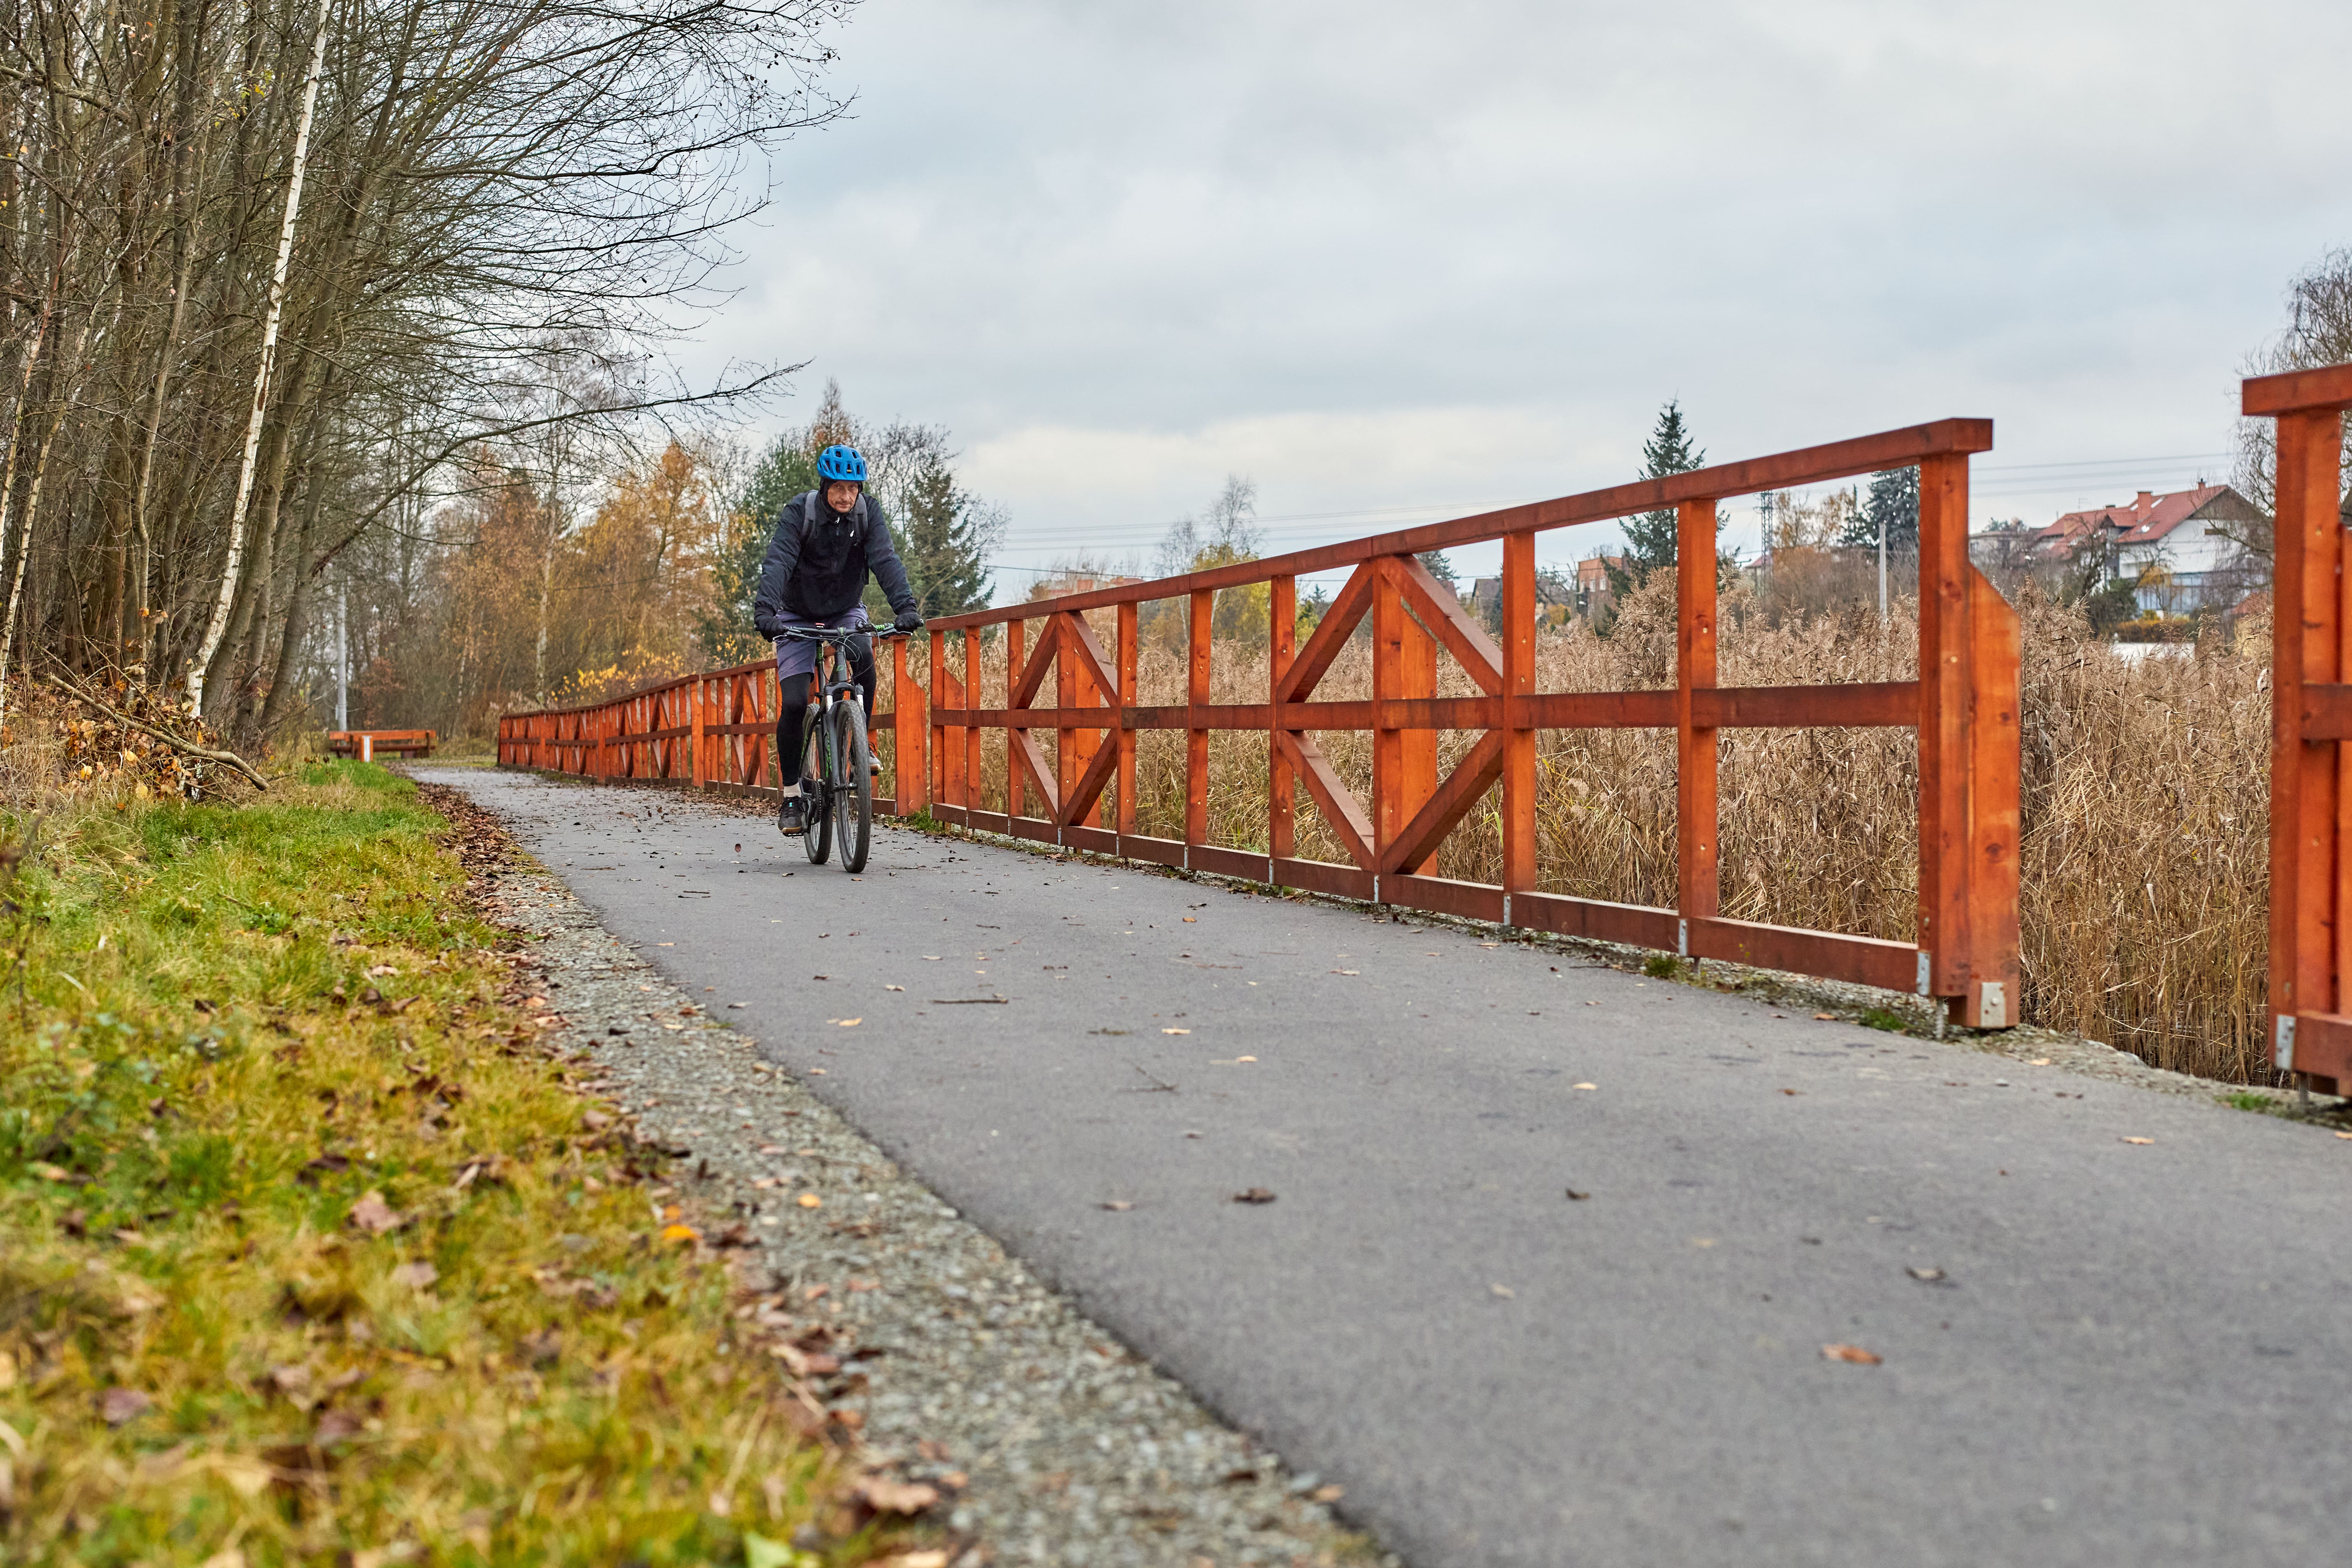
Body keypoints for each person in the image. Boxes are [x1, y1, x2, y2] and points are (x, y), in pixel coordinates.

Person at [752, 444, 924, 835]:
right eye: (839, 488)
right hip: (795, 614)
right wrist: (766, 612)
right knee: (796, 701)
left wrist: (905, 607)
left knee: (863, 654)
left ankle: (860, 744)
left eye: (853, 488)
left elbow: (885, 559)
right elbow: (778, 561)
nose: (847, 496)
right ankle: (794, 794)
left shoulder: (868, 514)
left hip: (844, 610)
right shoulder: (801, 513)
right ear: (825, 486)